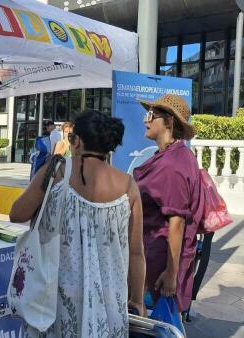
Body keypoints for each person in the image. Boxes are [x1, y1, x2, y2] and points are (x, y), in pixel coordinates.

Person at [10, 110, 146, 336]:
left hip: (56, 300)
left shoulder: (57, 171)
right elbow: (136, 252)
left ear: (78, 141)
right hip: (109, 302)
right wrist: (138, 300)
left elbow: (17, 213)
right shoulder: (129, 186)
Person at [133, 94, 204, 315]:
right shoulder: (171, 155)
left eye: (151, 115)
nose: (146, 120)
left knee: (157, 324)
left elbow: (176, 222)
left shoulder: (173, 163)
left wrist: (171, 274)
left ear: (169, 122)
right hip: (152, 256)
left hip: (158, 266)